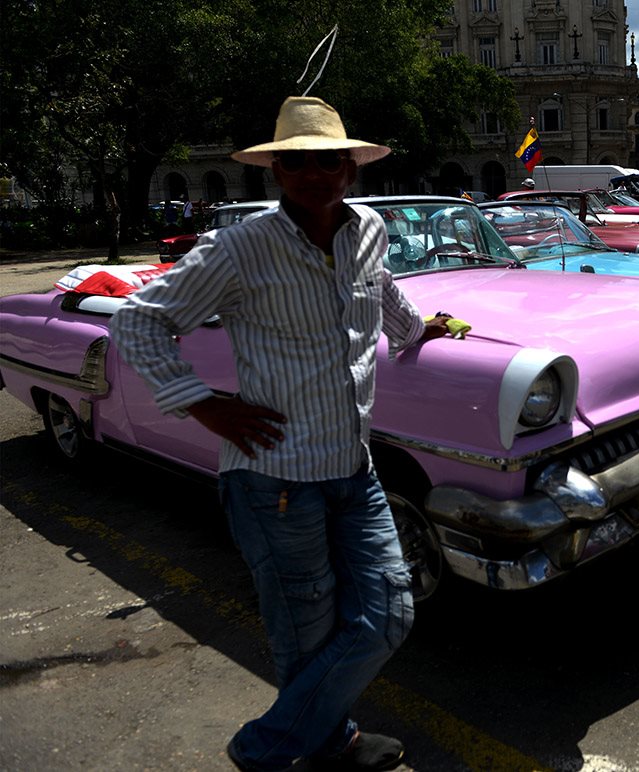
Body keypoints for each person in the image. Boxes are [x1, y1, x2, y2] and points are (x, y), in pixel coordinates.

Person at [110, 96, 453, 771]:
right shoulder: (240, 247)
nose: (314, 175)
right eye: (297, 164)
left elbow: (378, 286)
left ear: (351, 169)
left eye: (328, 162)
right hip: (275, 480)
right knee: (306, 629)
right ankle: (328, 743)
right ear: (276, 172)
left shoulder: (368, 229)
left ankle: (271, 745)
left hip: (353, 468)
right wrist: (202, 404)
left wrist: (418, 329)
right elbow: (139, 320)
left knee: (389, 611)